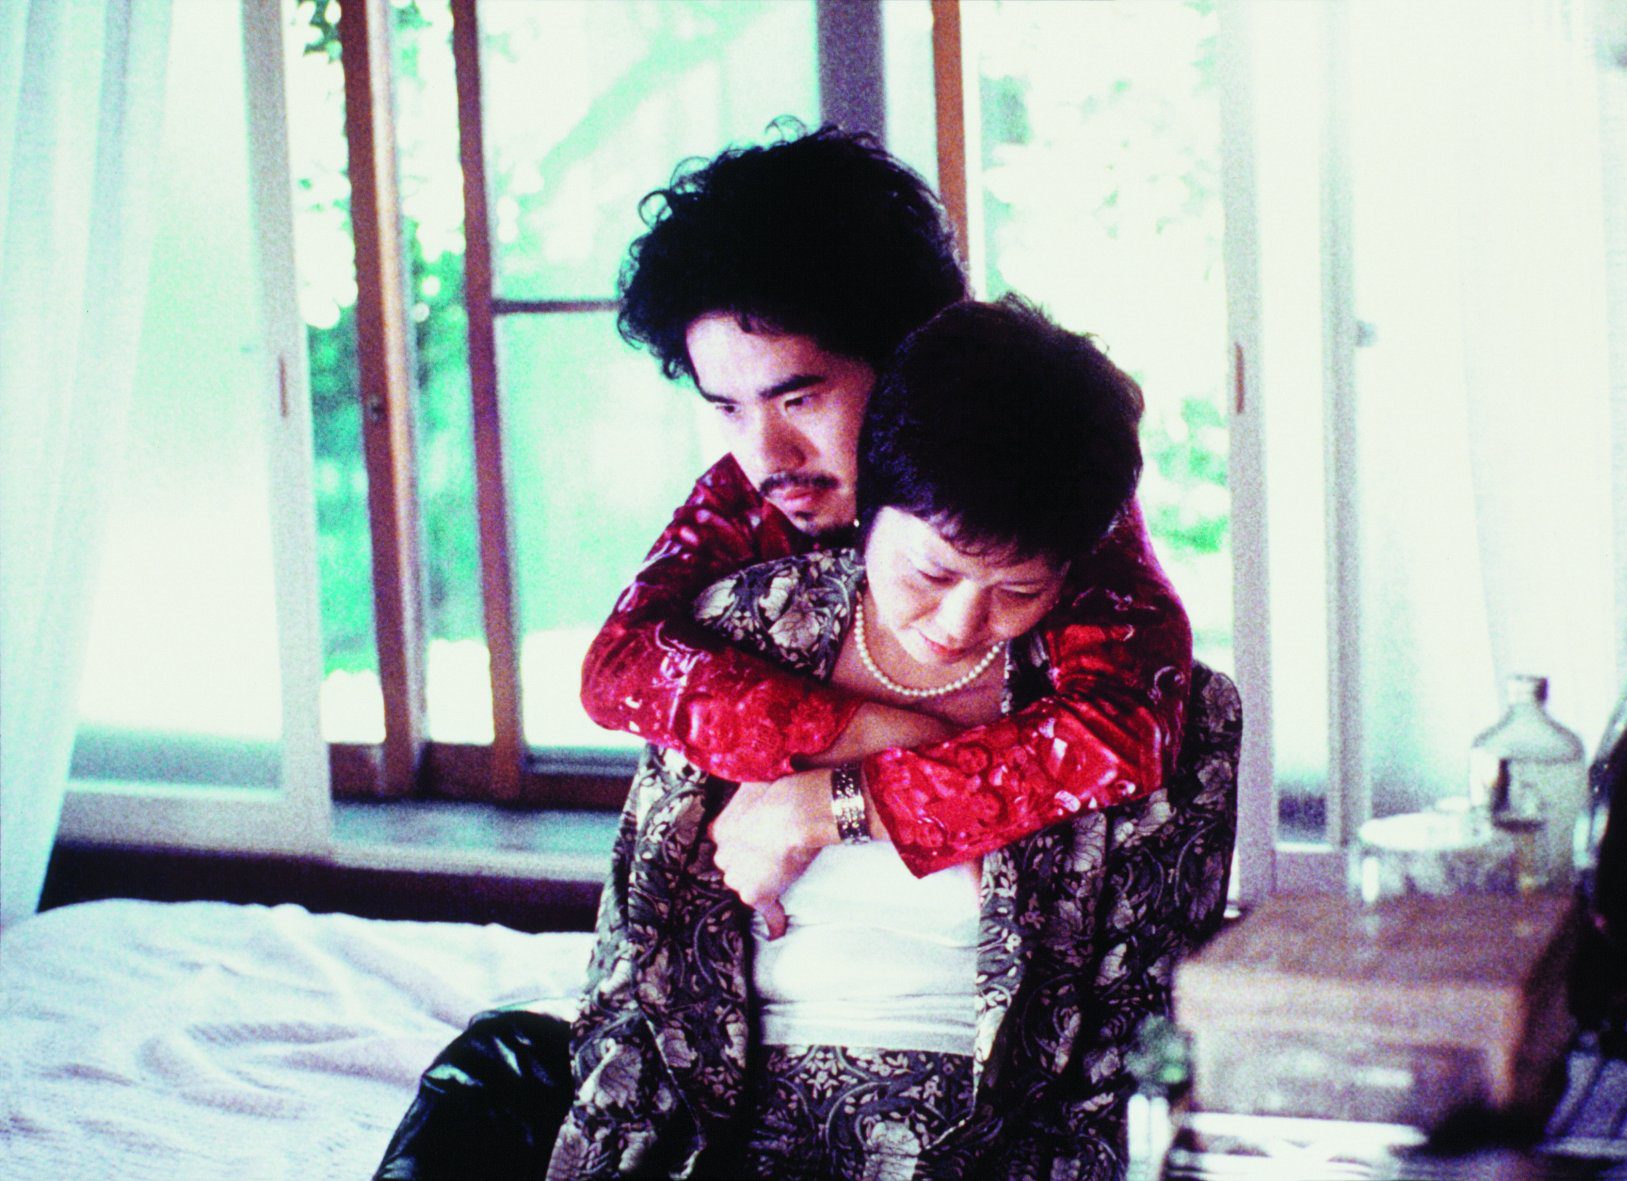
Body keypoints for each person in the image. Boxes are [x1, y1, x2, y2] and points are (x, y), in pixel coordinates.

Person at [372, 124, 1201, 1180]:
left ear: (911, 358)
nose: (763, 452)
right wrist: (867, 729)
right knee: (494, 1065)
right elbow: (619, 664)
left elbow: (1125, 728)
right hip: (735, 1040)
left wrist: (835, 805)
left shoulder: (1030, 499)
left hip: (965, 1067)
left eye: (799, 397)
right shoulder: (755, 489)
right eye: (725, 405)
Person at [547, 297, 1237, 1180]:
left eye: (1018, 589)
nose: (958, 622)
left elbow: (1134, 1050)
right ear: (875, 498)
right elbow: (629, 980)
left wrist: (837, 802)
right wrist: (874, 732)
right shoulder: (734, 631)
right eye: (930, 571)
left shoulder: (1140, 678)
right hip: (718, 1137)